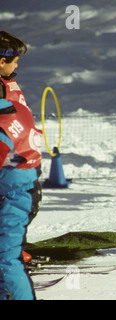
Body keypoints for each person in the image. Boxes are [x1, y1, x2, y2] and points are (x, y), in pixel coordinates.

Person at [0, 31, 43, 300]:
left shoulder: (4, 89)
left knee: (6, 259)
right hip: (20, 176)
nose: (17, 66)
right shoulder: (7, 87)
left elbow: (9, 149)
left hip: (17, 179)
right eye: (14, 60)